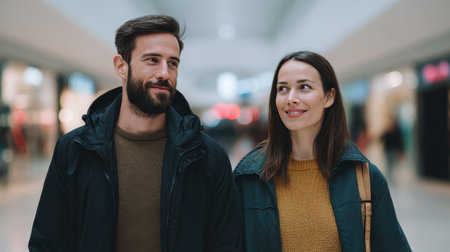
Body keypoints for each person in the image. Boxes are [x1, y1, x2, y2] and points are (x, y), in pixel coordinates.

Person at [29, 15, 242, 252]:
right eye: (152, 60)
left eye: (173, 63)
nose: (164, 73)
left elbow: (226, 244)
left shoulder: (207, 156)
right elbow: (47, 242)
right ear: (121, 66)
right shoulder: (75, 149)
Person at [233, 51, 411, 251]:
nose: (291, 98)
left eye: (304, 87)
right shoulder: (248, 178)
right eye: (282, 89)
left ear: (329, 97)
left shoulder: (365, 178)